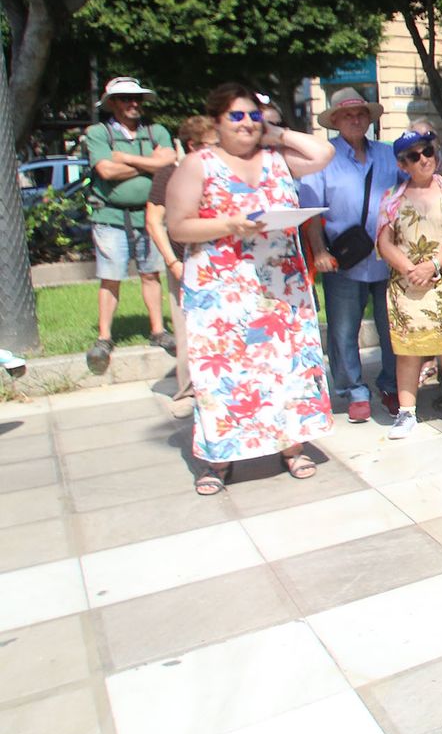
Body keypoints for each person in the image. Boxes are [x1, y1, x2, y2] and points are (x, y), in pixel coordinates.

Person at [163, 83, 336, 493]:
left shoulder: (277, 159)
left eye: (252, 115)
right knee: (223, 375)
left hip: (280, 286)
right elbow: (178, 226)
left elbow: (322, 153)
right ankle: (218, 460)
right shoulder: (198, 164)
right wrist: (229, 225)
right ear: (216, 121)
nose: (245, 124)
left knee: (286, 368)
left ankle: (291, 445)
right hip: (223, 288)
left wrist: (274, 133)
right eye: (236, 116)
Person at [299, 88, 399, 423]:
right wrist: (319, 251)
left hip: (387, 256)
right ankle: (353, 389)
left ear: (370, 119)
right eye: (348, 115)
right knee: (343, 329)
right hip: (343, 256)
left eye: (361, 114)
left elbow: (409, 189)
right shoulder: (323, 159)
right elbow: (311, 211)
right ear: (336, 121)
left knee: (392, 328)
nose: (355, 119)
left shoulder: (388, 154)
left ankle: (392, 383)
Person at [375, 127, 442, 439]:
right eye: (413, 156)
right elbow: (385, 242)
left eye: (427, 152)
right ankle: (406, 412)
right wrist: (411, 269)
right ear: (402, 164)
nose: (423, 159)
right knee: (407, 350)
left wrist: (433, 264)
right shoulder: (391, 198)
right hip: (407, 285)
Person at [82, 76, 178, 374]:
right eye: (125, 98)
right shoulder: (98, 133)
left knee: (151, 273)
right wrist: (148, 162)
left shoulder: (156, 130)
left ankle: (158, 330)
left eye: (136, 98)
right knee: (110, 276)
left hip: (150, 215)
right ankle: (105, 336)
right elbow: (106, 171)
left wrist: (125, 158)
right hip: (110, 216)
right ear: (112, 103)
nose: (133, 103)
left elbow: (170, 161)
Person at [145, 115, 218, 415]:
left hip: (216, 260)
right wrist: (173, 262)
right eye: (213, 145)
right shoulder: (169, 174)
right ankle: (189, 390)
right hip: (183, 260)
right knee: (188, 327)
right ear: (193, 145)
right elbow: (153, 222)